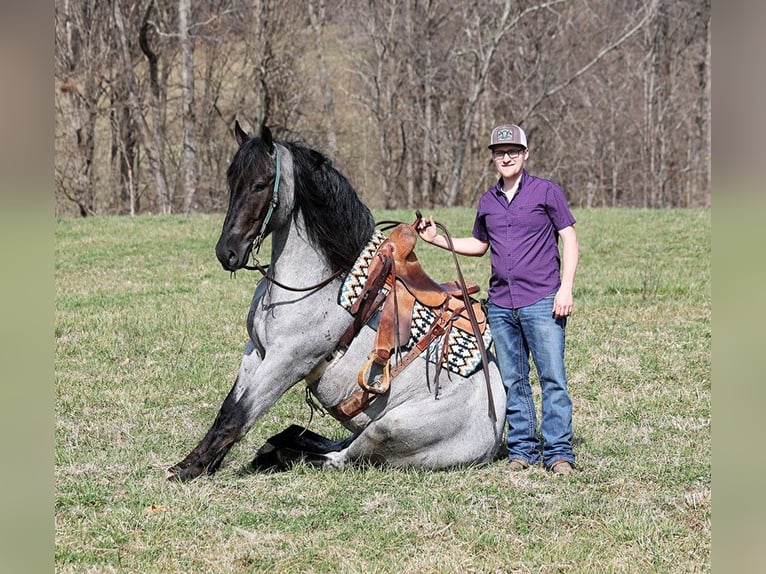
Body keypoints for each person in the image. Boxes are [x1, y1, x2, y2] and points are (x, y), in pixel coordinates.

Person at [417, 124, 579, 475]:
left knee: (552, 378)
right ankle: (521, 450)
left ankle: (559, 454)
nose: (506, 158)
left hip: (542, 300)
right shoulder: (488, 201)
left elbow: (570, 239)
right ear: (493, 158)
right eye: (499, 152)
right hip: (502, 304)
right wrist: (436, 240)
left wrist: (565, 288)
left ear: (525, 154)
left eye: (513, 152)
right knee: (513, 380)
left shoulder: (546, 192)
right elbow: (479, 246)